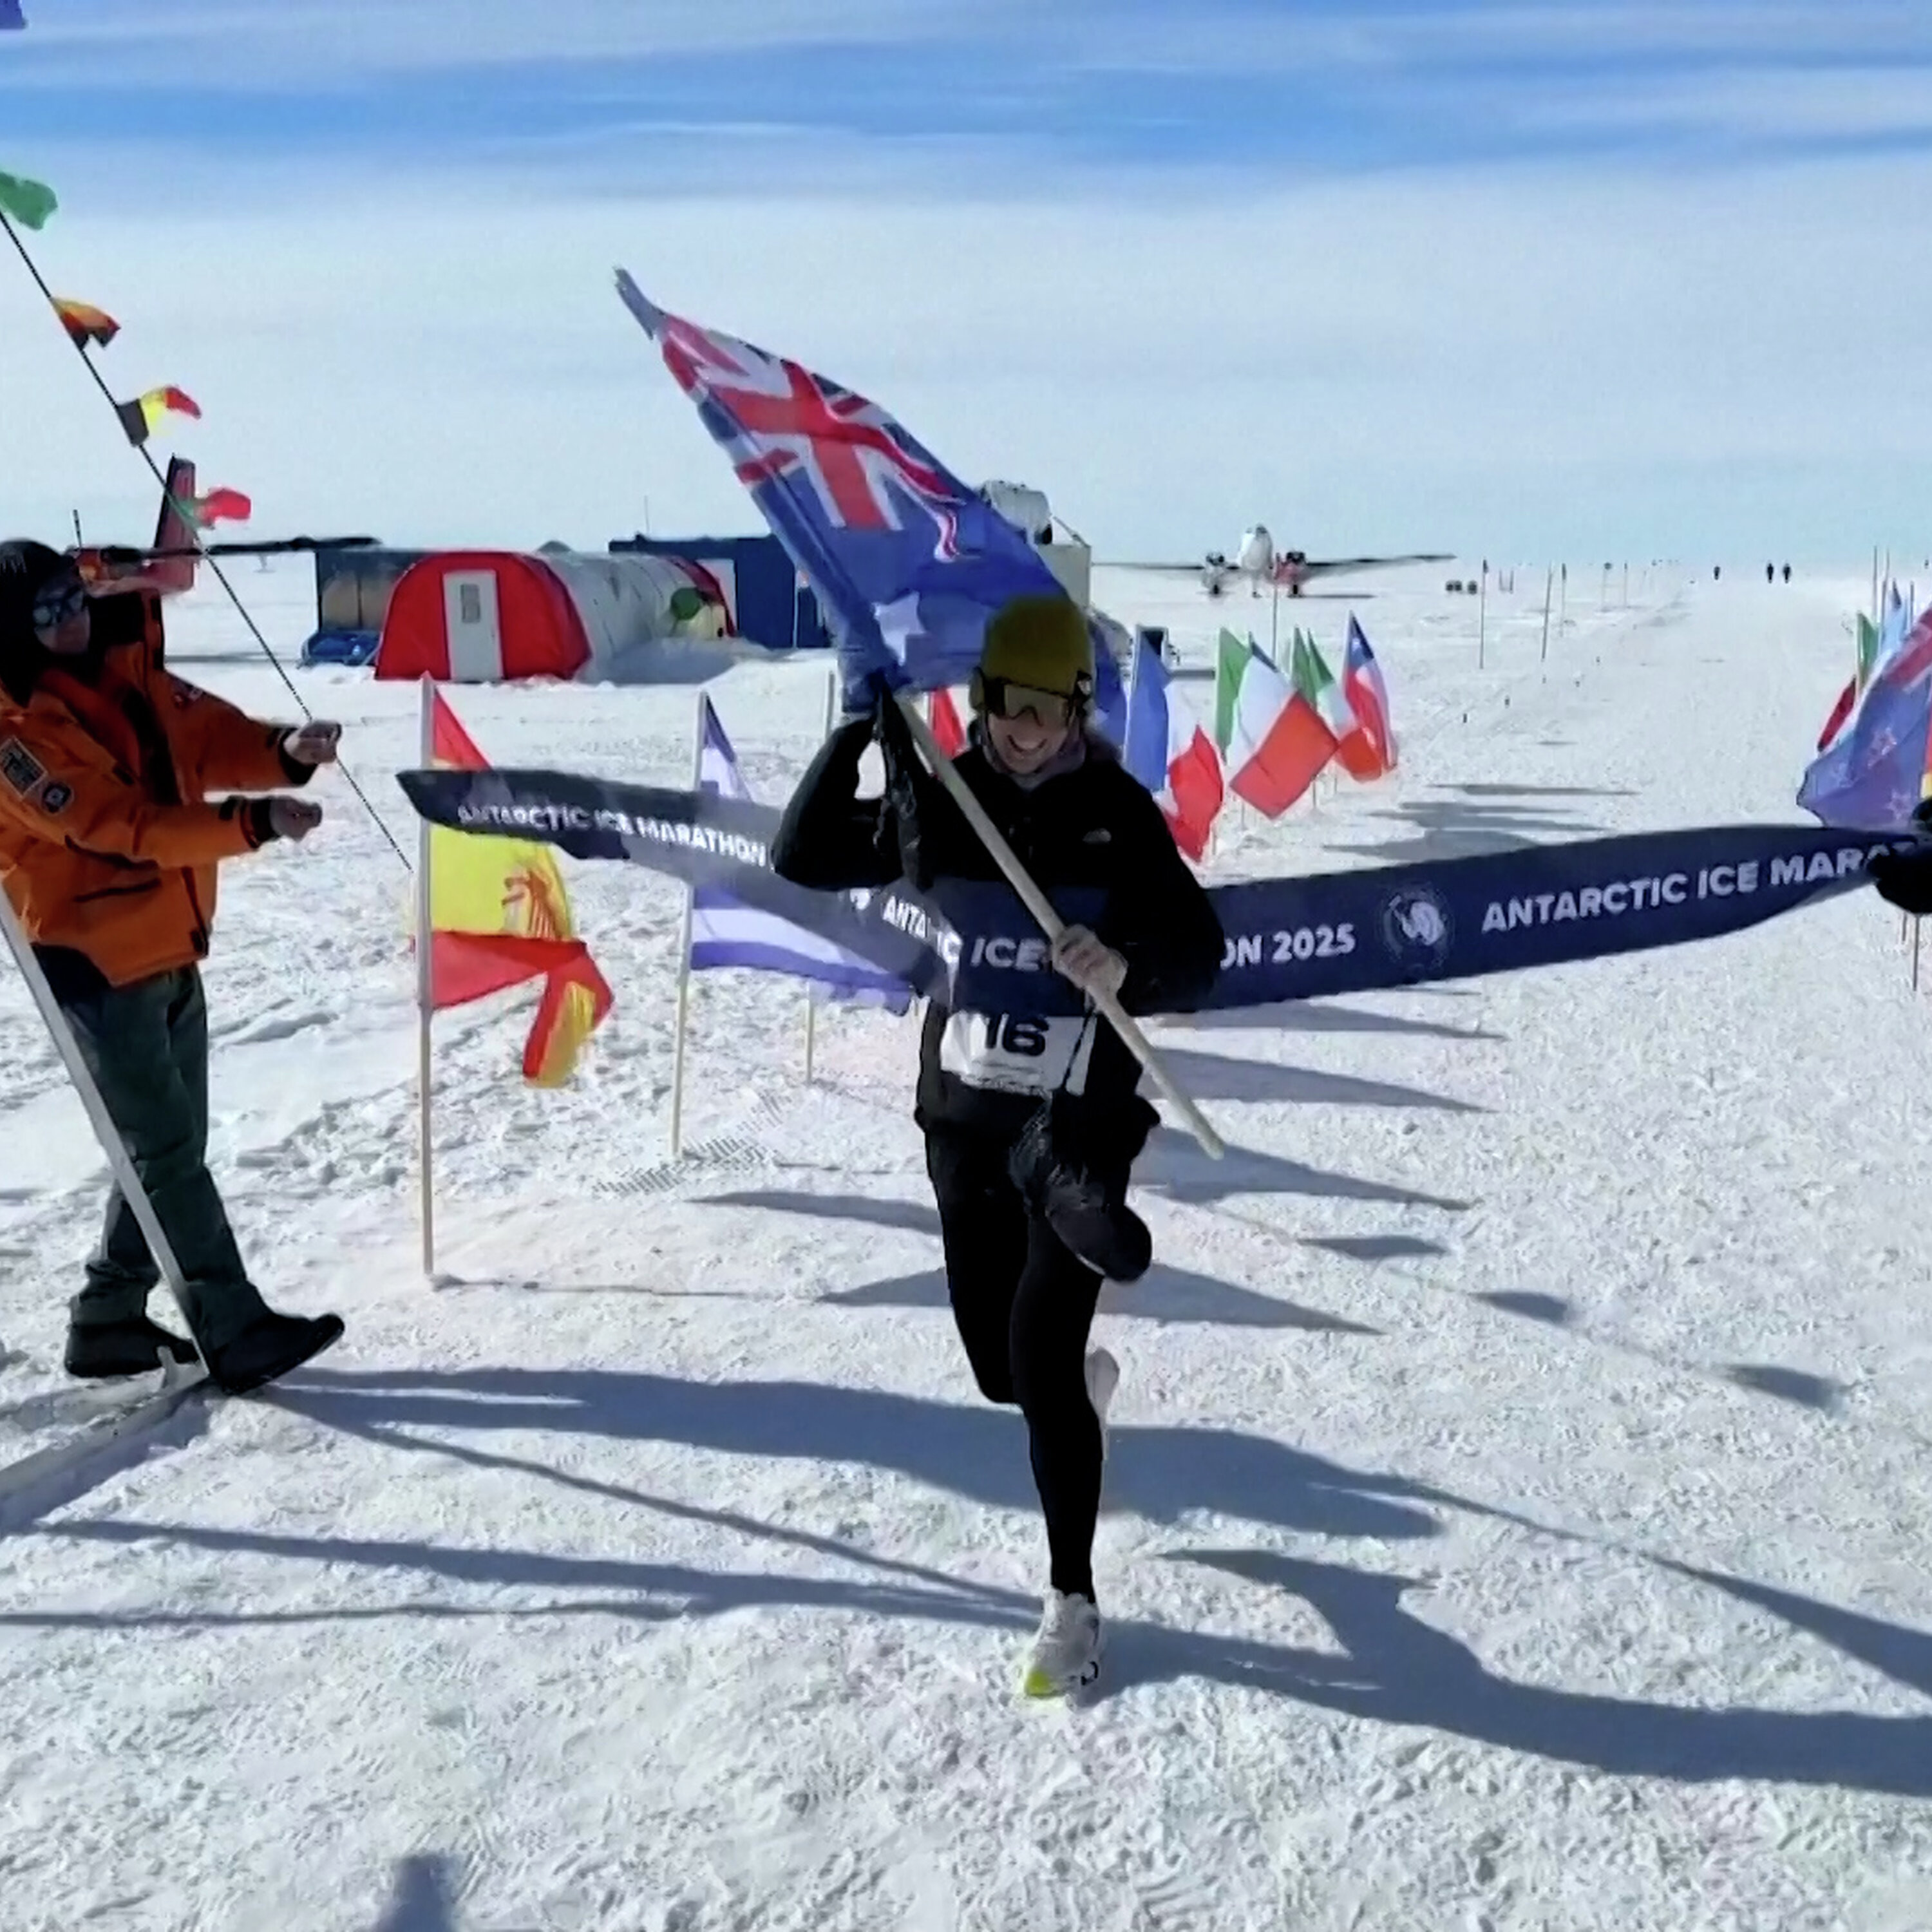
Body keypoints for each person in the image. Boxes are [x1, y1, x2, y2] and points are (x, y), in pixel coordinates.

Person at [772, 594, 1224, 1696]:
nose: (1021, 732)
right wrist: (854, 727)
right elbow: (803, 856)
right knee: (998, 1371)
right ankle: (1075, 1394)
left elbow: (1200, 952)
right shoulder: (950, 799)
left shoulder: (1116, 811)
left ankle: (1070, 1604)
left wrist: (1123, 964)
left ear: (1076, 707)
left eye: (1043, 712)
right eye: (1001, 708)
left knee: (1037, 1355)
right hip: (966, 1117)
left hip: (1071, 1129)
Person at [0, 539, 345, 1392]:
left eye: (73, 600)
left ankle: (109, 1317)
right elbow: (123, 825)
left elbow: (203, 734)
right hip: (94, 962)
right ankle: (231, 1324)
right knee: (163, 1152)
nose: (72, 621)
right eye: (47, 613)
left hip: (169, 941)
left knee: (168, 1146)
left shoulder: (122, 674)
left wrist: (284, 750)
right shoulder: (16, 738)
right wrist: (251, 825)